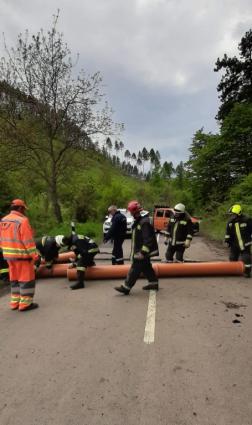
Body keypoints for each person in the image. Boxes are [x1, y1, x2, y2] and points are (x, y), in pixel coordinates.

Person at [0, 199, 40, 311]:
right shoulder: (22, 221)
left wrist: (6, 252)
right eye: (24, 210)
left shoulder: (3, 221)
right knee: (26, 280)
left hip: (9, 257)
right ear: (20, 208)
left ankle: (15, 303)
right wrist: (35, 256)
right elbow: (28, 241)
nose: (24, 212)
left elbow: (1, 240)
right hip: (22, 257)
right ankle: (25, 304)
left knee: (15, 280)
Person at [114, 201, 159, 295]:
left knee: (135, 268)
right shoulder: (141, 220)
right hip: (141, 250)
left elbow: (148, 239)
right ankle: (153, 283)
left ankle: (126, 287)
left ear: (135, 212)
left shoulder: (144, 222)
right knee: (146, 267)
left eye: (131, 212)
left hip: (141, 251)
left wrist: (143, 252)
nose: (130, 214)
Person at [225, 205, 252, 278]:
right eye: (231, 214)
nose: (232, 216)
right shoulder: (230, 222)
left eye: (233, 214)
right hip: (234, 244)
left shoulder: (246, 220)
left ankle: (247, 273)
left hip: (245, 243)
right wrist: (227, 241)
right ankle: (234, 271)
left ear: (238, 213)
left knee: (246, 259)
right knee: (232, 257)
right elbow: (227, 232)